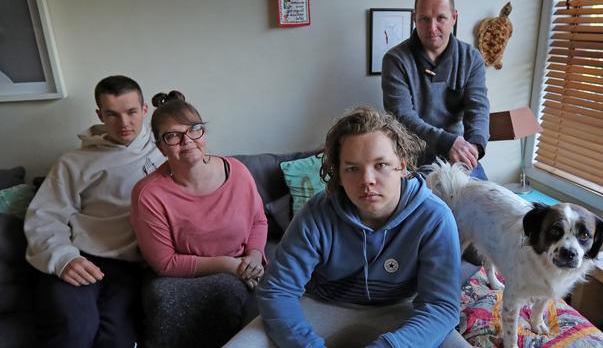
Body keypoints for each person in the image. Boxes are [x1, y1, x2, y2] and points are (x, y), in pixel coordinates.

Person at [243, 107, 467, 348]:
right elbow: (277, 290)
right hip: (322, 305)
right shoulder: (317, 213)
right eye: (352, 168)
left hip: (401, 311)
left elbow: (441, 306)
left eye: (380, 164)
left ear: (402, 166)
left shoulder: (435, 217)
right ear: (338, 174)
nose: (367, 180)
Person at [23, 75, 164, 348]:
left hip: (130, 267)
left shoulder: (166, 152)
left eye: (132, 112)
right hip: (80, 257)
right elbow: (45, 216)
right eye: (112, 114)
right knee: (74, 332)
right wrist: (63, 258)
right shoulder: (73, 162)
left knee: (117, 340)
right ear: (100, 114)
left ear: (145, 110)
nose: (124, 123)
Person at [130, 90, 268, 347]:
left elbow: (258, 221)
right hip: (180, 276)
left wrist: (254, 256)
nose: (187, 141)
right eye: (173, 136)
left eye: (194, 129)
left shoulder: (237, 171)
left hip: (242, 264)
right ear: (160, 146)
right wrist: (231, 266)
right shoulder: (147, 193)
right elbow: (165, 263)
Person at [382, 0, 490, 180]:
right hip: (411, 160)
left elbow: (478, 108)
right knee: (427, 210)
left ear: (453, 18)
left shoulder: (471, 58)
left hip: (458, 157)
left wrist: (472, 148)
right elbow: (402, 117)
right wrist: (446, 142)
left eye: (441, 18)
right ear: (415, 18)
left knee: (485, 205)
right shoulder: (395, 60)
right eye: (424, 19)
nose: (432, 28)